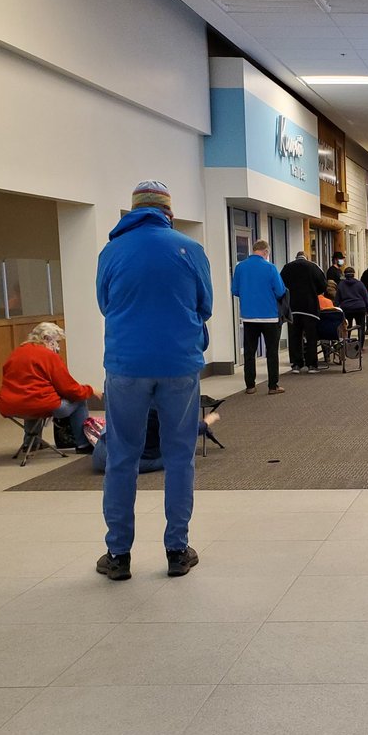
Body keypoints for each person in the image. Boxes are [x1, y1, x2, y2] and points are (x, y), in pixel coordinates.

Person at [95, 179, 212, 581]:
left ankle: (118, 555)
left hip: (126, 366)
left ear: (133, 211)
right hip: (180, 364)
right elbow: (205, 304)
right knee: (180, 457)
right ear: (169, 213)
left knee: (121, 457)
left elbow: (104, 303)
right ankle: (177, 550)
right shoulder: (191, 249)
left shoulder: (111, 251)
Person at [0, 322, 99, 454]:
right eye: (56, 342)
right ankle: (83, 445)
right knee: (79, 400)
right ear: (46, 339)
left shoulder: (17, 352)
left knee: (30, 401)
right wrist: (90, 391)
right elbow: (69, 389)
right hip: (39, 404)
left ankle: (30, 443)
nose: (58, 348)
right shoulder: (49, 356)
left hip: (7, 405)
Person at [231, 238, 286, 396]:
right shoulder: (270, 268)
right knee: (272, 352)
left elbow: (235, 290)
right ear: (266, 252)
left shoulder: (240, 268)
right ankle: (273, 386)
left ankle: (250, 385)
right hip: (269, 316)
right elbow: (280, 291)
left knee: (249, 352)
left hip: (249, 317)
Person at [92, 410, 218, 473]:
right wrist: (207, 422)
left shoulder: (129, 392)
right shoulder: (163, 405)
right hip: (128, 461)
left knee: (112, 423)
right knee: (181, 453)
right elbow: (186, 431)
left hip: (100, 453)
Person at [281, 250, 326, 373]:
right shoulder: (314, 267)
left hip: (293, 307)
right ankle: (312, 365)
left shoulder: (287, 267)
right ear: (306, 257)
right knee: (311, 336)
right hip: (309, 307)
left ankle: (296, 364)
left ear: (296, 258)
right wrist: (313, 292)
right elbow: (323, 285)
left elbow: (281, 286)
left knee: (294, 336)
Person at [335, 267, 368, 338]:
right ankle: (360, 346)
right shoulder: (359, 284)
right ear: (354, 274)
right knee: (361, 327)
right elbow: (365, 297)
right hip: (359, 307)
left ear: (345, 275)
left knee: (347, 327)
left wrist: (336, 307)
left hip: (346, 308)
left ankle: (347, 343)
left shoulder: (341, 284)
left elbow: (337, 298)